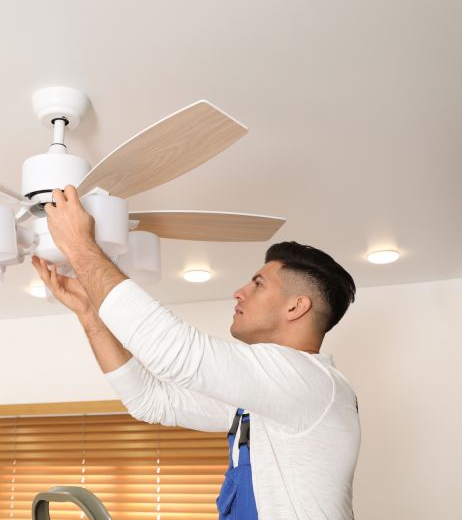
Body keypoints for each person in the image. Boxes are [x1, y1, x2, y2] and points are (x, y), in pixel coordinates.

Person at [32, 185, 361, 520]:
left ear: (296, 307)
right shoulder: (266, 400)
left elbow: (177, 352)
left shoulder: (309, 380)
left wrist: (79, 245)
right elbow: (150, 401)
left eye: (258, 284)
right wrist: (91, 314)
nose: (239, 292)